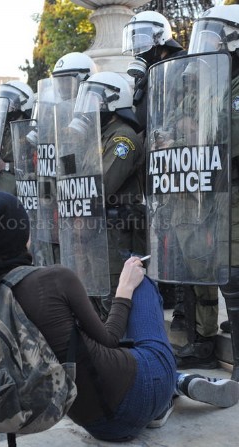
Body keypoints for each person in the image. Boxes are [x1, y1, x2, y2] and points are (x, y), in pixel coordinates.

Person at [0, 187, 239, 447]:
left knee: (120, 346)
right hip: (133, 400)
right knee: (141, 283)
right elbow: (110, 340)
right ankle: (172, 383)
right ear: (22, 233)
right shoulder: (55, 279)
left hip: (90, 420)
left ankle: (173, 388)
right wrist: (125, 287)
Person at [122, 10, 220, 369]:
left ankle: (201, 332)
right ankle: (188, 321)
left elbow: (188, 121)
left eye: (142, 34)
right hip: (167, 176)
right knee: (180, 254)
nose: (136, 42)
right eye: (133, 35)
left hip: (190, 175)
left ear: (161, 34)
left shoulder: (181, 65)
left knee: (200, 256)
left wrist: (174, 134)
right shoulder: (147, 76)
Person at [183, 3, 239, 380]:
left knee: (234, 275)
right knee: (213, 270)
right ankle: (208, 344)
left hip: (232, 189)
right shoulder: (210, 84)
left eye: (214, 38)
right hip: (210, 193)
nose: (206, 46)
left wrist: (197, 129)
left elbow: (228, 136)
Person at [68, 71, 146, 318]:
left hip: (116, 235)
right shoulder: (99, 137)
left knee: (113, 301)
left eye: (92, 101)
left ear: (112, 102)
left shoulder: (123, 138)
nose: (86, 108)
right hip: (97, 233)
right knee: (96, 302)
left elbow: (100, 185)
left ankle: (120, 355)